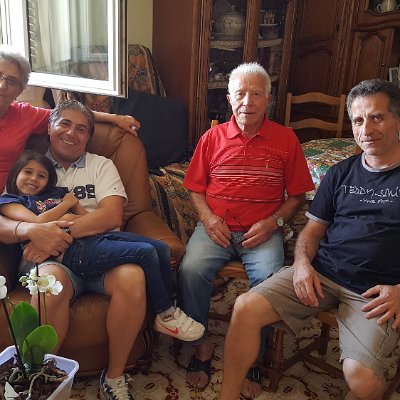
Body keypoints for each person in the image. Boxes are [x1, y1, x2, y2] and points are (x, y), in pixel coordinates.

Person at [218, 78, 400, 400]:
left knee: (363, 382)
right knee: (245, 306)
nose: (366, 129)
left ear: (397, 119)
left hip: (374, 293)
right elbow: (313, 230)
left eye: (377, 117)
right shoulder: (340, 173)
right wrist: (302, 264)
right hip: (321, 274)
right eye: (358, 120)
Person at [179, 62, 314, 396]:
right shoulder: (211, 138)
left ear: (268, 98)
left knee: (268, 281)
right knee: (190, 270)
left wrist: (274, 222)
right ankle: (202, 344)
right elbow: (194, 188)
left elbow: (298, 194)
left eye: (256, 94)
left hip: (262, 232)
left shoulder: (286, 139)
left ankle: (253, 355)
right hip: (216, 229)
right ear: (229, 99)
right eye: (240, 93)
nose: (247, 101)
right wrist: (208, 219)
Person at [0, 149, 205, 342]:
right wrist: (67, 205)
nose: (34, 178)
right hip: (72, 251)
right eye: (28, 172)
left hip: (94, 237)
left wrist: (73, 214)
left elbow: (86, 219)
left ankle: (169, 308)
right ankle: (165, 313)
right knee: (146, 252)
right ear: (15, 174)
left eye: (41, 175)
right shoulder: (12, 200)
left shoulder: (53, 195)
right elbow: (37, 223)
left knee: (160, 249)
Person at [0, 44, 141, 192]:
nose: (2, 85)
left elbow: (69, 114)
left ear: (19, 91)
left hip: (7, 199)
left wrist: (115, 118)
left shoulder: (25, 114)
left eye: (11, 81)